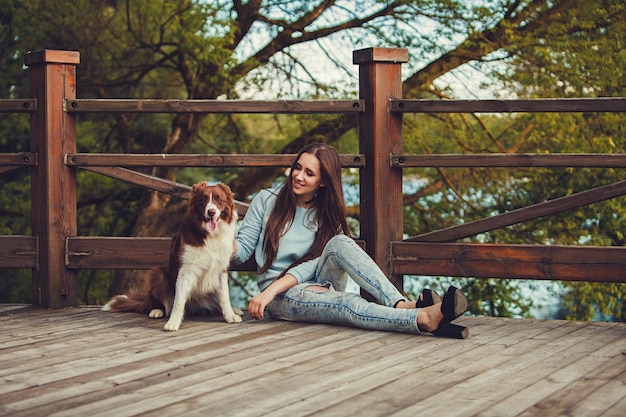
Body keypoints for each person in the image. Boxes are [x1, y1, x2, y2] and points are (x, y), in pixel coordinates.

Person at [232, 142, 468, 338]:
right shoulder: (265, 200)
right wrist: (218, 237)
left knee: (341, 242)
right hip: (279, 298)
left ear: (323, 182)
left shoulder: (326, 214)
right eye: (298, 168)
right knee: (347, 303)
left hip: (318, 283)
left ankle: (400, 303)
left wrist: (316, 285)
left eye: (309, 173)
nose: (298, 176)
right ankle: (423, 317)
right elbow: (241, 251)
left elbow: (313, 264)